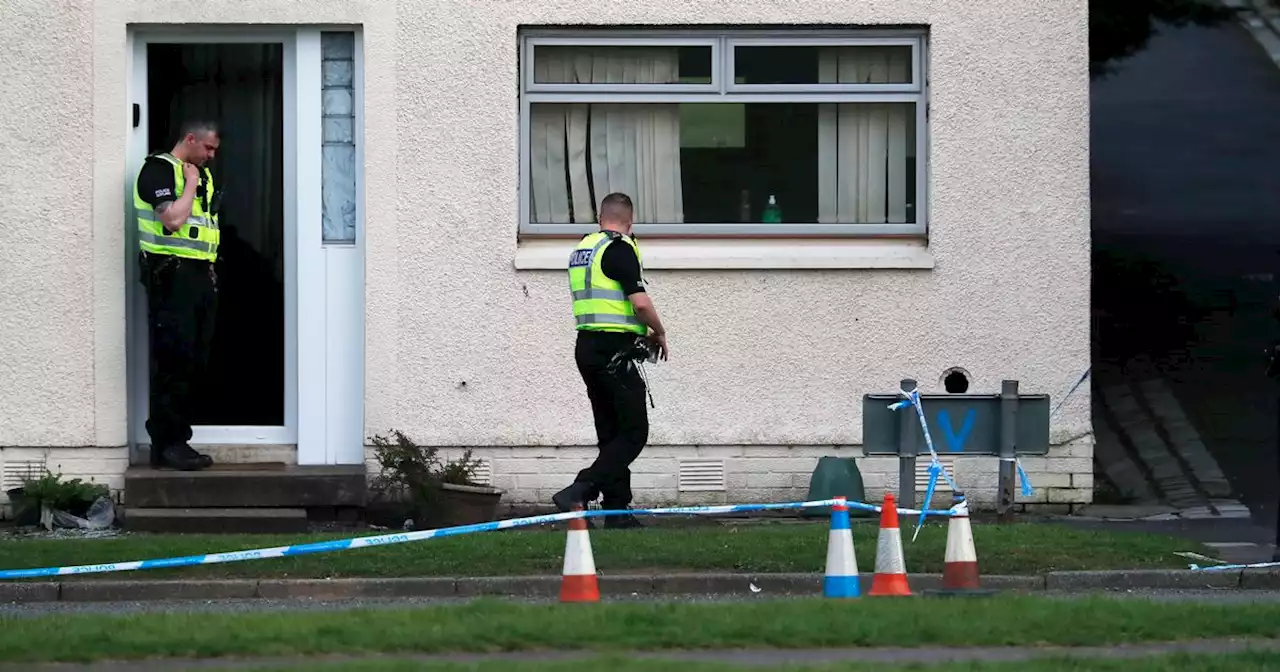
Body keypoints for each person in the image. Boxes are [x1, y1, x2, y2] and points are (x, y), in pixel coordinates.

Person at [553, 192, 669, 529]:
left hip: (587, 347)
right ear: (630, 222)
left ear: (600, 218)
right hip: (613, 352)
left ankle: (617, 512)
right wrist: (659, 332)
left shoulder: (584, 249)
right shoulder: (619, 248)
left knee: (611, 431)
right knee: (633, 432)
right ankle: (580, 488)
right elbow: (641, 305)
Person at [133, 121, 223, 471]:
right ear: (190, 139)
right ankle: (167, 442)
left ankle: (177, 439)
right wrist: (189, 184)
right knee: (174, 357)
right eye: (208, 148)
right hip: (171, 275)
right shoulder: (157, 170)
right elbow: (172, 220)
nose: (211, 157)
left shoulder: (202, 175)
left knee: (194, 359)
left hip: (199, 275)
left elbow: (207, 227)